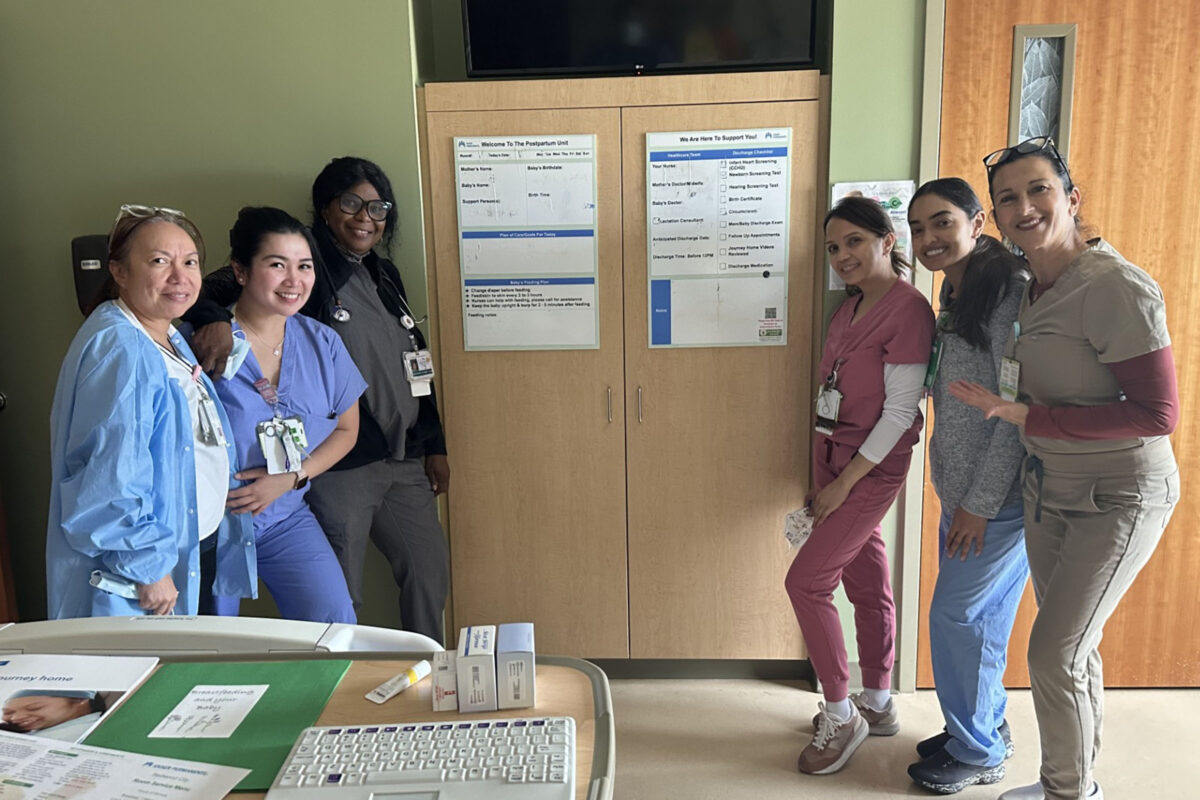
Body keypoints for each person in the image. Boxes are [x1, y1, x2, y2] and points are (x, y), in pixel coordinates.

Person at [950, 136, 1179, 800]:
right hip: (1052, 489)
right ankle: (1074, 783)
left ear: (1071, 199)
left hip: (1119, 495)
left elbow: (1157, 414)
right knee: (1073, 651)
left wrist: (1029, 418)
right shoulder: (1033, 289)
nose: (1024, 207)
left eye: (1039, 190)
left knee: (1054, 653)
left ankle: (1067, 792)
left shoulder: (1114, 287)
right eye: (1008, 198)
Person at [185, 158, 450, 643]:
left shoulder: (365, 293)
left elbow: (411, 359)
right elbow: (201, 289)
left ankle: (420, 668)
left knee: (348, 615)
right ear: (325, 209)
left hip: (304, 498)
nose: (365, 217)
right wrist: (213, 318)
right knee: (210, 642)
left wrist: (435, 441)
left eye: (377, 207)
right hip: (219, 516)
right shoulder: (209, 341)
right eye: (351, 203)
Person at [785, 196, 935, 775]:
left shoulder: (908, 311)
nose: (842, 255)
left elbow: (899, 414)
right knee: (866, 575)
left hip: (869, 467)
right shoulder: (847, 309)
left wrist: (843, 485)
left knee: (807, 583)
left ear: (887, 241)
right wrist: (825, 475)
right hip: (833, 455)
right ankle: (876, 699)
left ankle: (841, 714)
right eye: (833, 247)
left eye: (854, 241)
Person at [47, 205, 256, 619]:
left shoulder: (166, 333)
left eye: (190, 262)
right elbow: (106, 477)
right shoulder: (122, 349)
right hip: (142, 571)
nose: (180, 276)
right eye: (160, 261)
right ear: (119, 272)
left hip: (183, 543)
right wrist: (148, 566)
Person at [903, 178, 1030, 793]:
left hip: (995, 500)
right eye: (917, 228)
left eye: (942, 222)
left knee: (956, 619)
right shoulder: (955, 290)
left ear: (977, 224)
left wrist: (979, 506)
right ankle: (980, 726)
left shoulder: (1007, 292)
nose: (928, 237)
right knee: (982, 621)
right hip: (964, 492)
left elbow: (1013, 409)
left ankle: (978, 751)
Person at [192, 207, 364, 623]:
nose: (294, 280)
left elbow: (347, 429)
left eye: (304, 266)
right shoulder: (204, 344)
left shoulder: (323, 343)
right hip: (210, 526)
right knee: (210, 643)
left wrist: (292, 478)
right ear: (240, 271)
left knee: (334, 623)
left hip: (285, 516)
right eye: (277, 265)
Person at [1, 690, 106, 742]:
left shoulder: (79, 734)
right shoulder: (45, 728)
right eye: (8, 713)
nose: (15, 718)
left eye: (35, 708)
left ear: (80, 700)